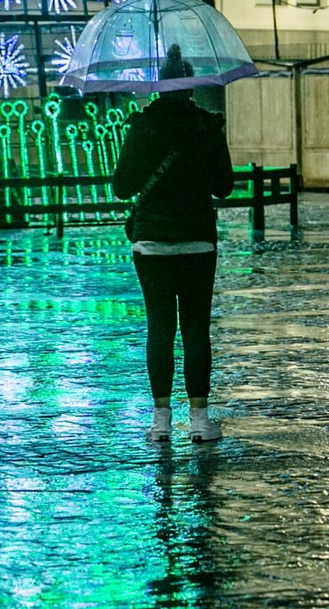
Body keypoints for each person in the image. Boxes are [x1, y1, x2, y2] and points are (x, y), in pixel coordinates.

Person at [112, 45, 237, 443]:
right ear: (191, 88)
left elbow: (121, 188)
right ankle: (200, 422)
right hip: (198, 241)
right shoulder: (207, 125)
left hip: (152, 243)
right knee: (197, 328)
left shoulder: (141, 127)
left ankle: (161, 422)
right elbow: (225, 186)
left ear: (159, 88)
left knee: (160, 329)